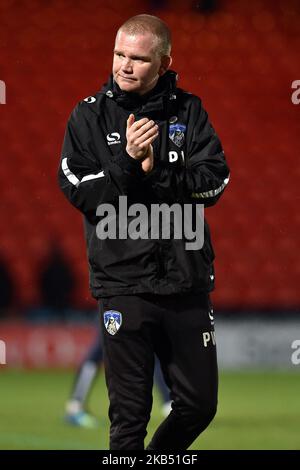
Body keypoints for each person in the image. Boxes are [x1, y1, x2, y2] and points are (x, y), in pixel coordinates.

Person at [58, 14, 230, 450]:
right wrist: (130, 163)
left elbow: (215, 180)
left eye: (138, 58)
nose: (125, 66)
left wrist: (159, 171)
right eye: (119, 54)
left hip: (185, 282)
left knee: (198, 406)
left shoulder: (189, 111)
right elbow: (78, 190)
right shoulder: (88, 116)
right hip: (123, 286)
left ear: (164, 62)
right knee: (129, 419)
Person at [64, 324, 172, 428]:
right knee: (98, 352)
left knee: (152, 351)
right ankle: (75, 406)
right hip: (115, 310)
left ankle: (168, 404)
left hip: (130, 309)